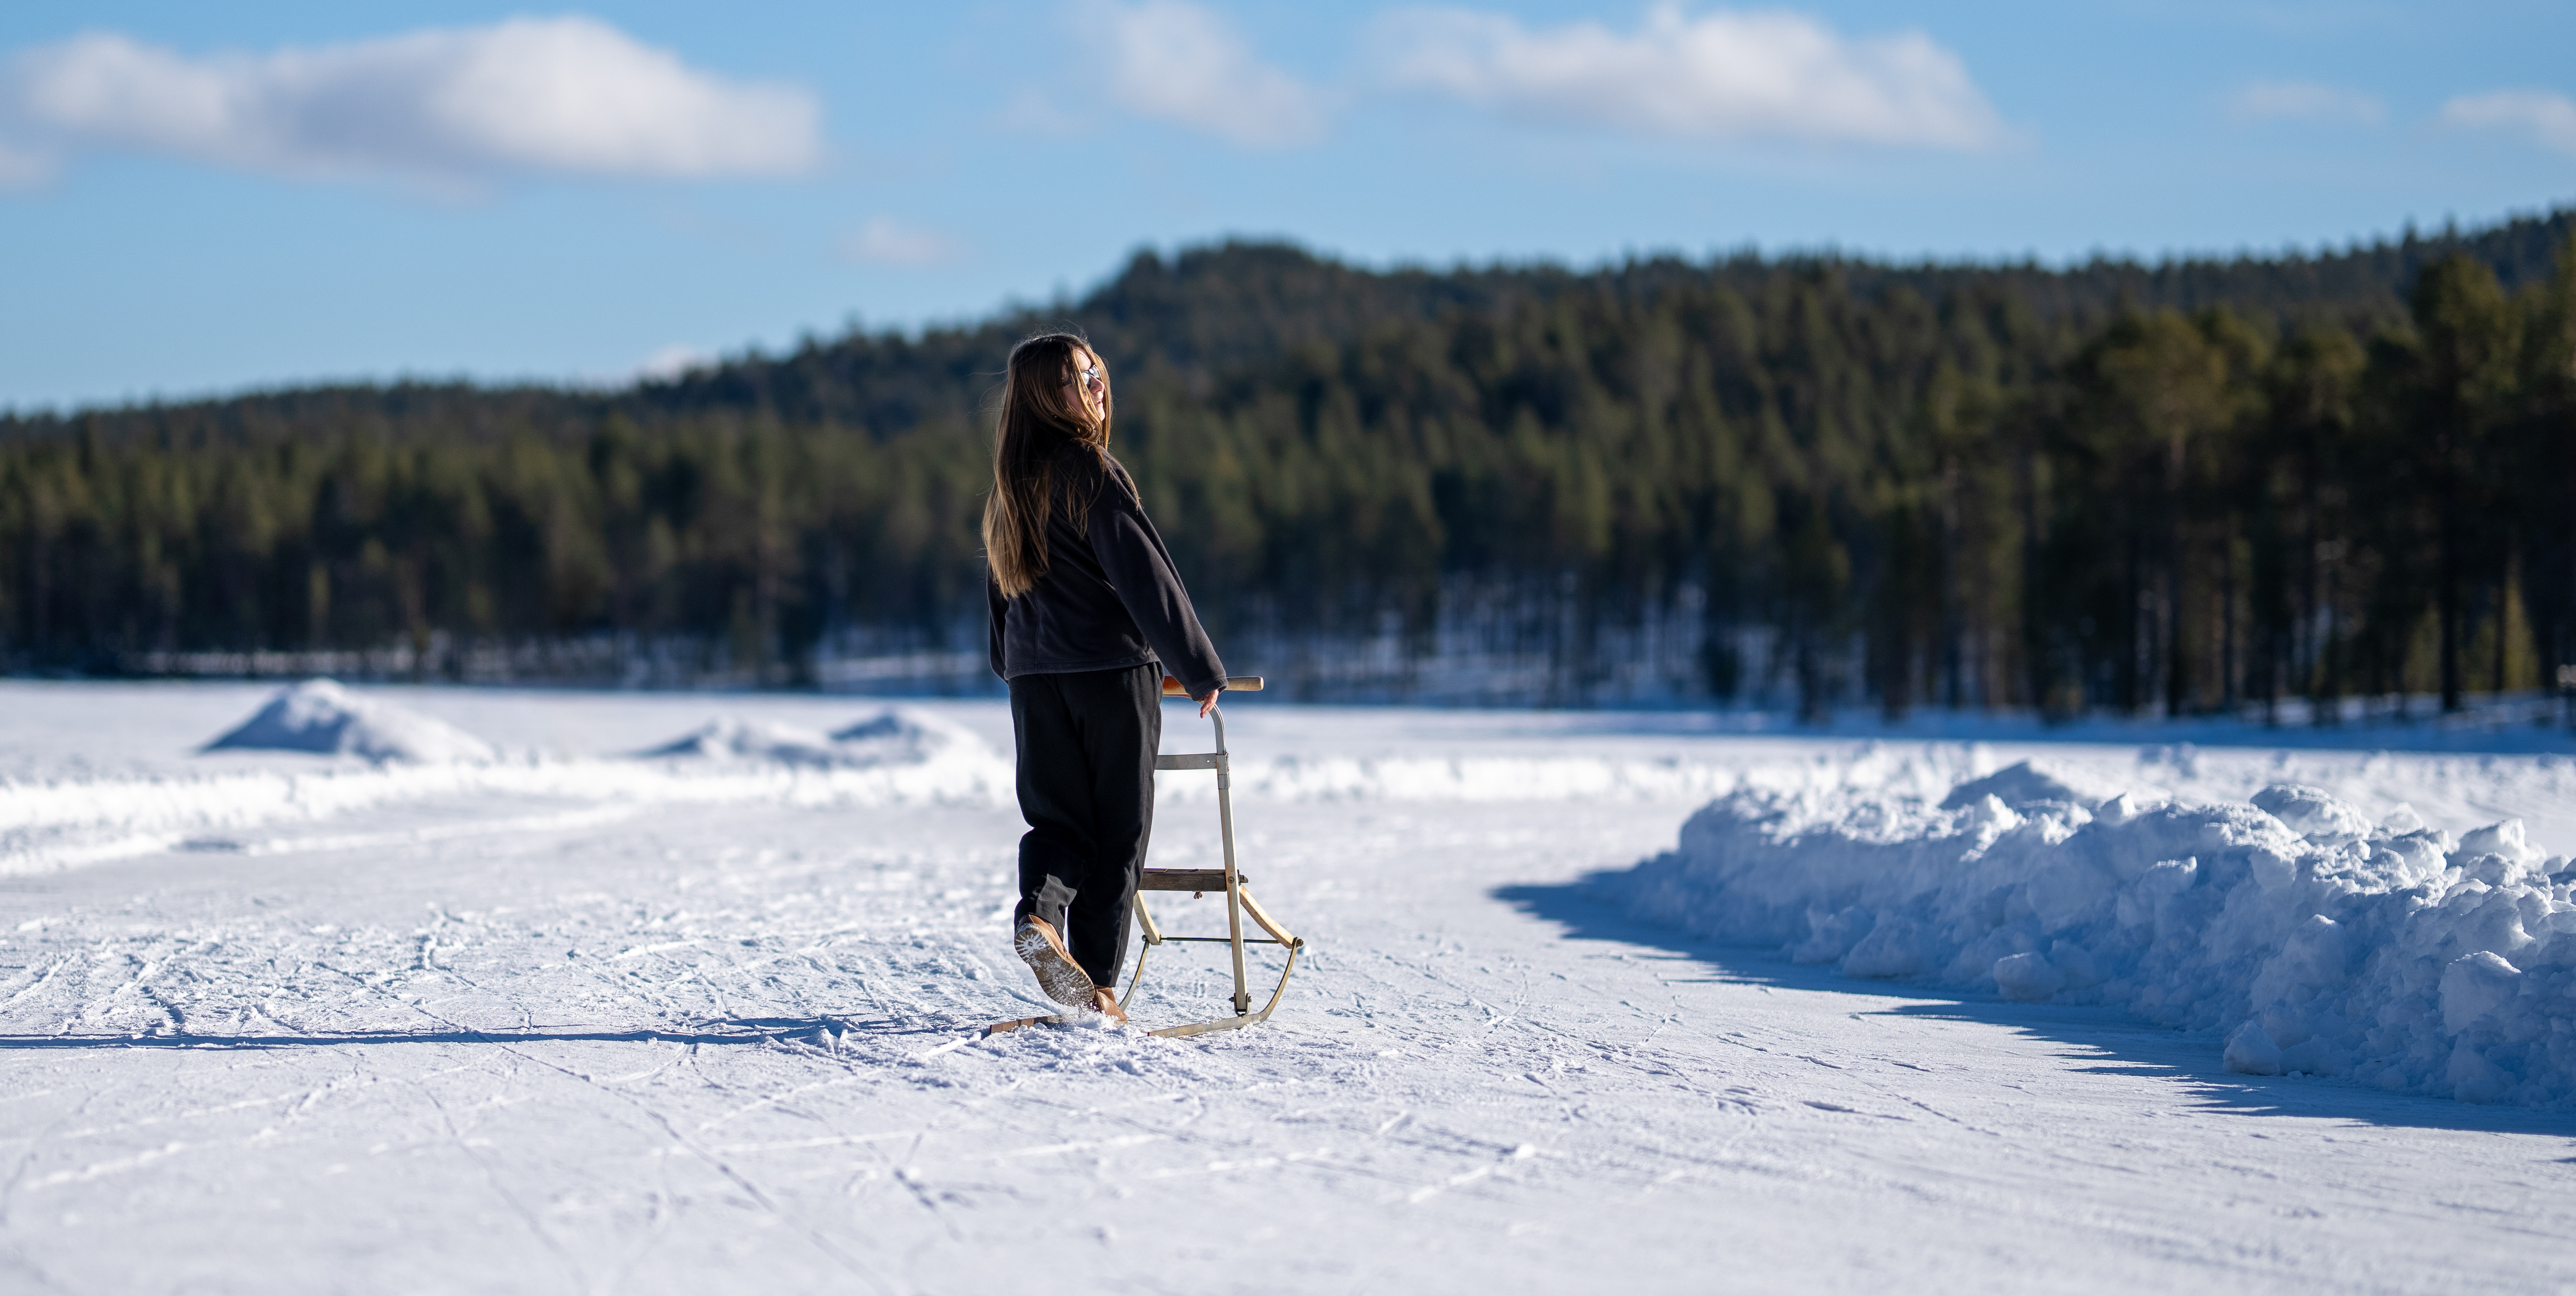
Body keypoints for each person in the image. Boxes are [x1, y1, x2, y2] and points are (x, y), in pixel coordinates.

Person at [983, 331, 1226, 1022]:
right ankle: (1098, 988)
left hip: (1035, 681)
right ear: (1044, 398)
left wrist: (1017, 664)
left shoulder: (1010, 488)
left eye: (1095, 372)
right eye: (1077, 378)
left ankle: (1041, 921)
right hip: (1111, 673)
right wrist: (1198, 665)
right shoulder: (1088, 470)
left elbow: (1000, 598)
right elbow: (1145, 576)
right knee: (1120, 834)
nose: (1096, 385)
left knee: (1061, 823)